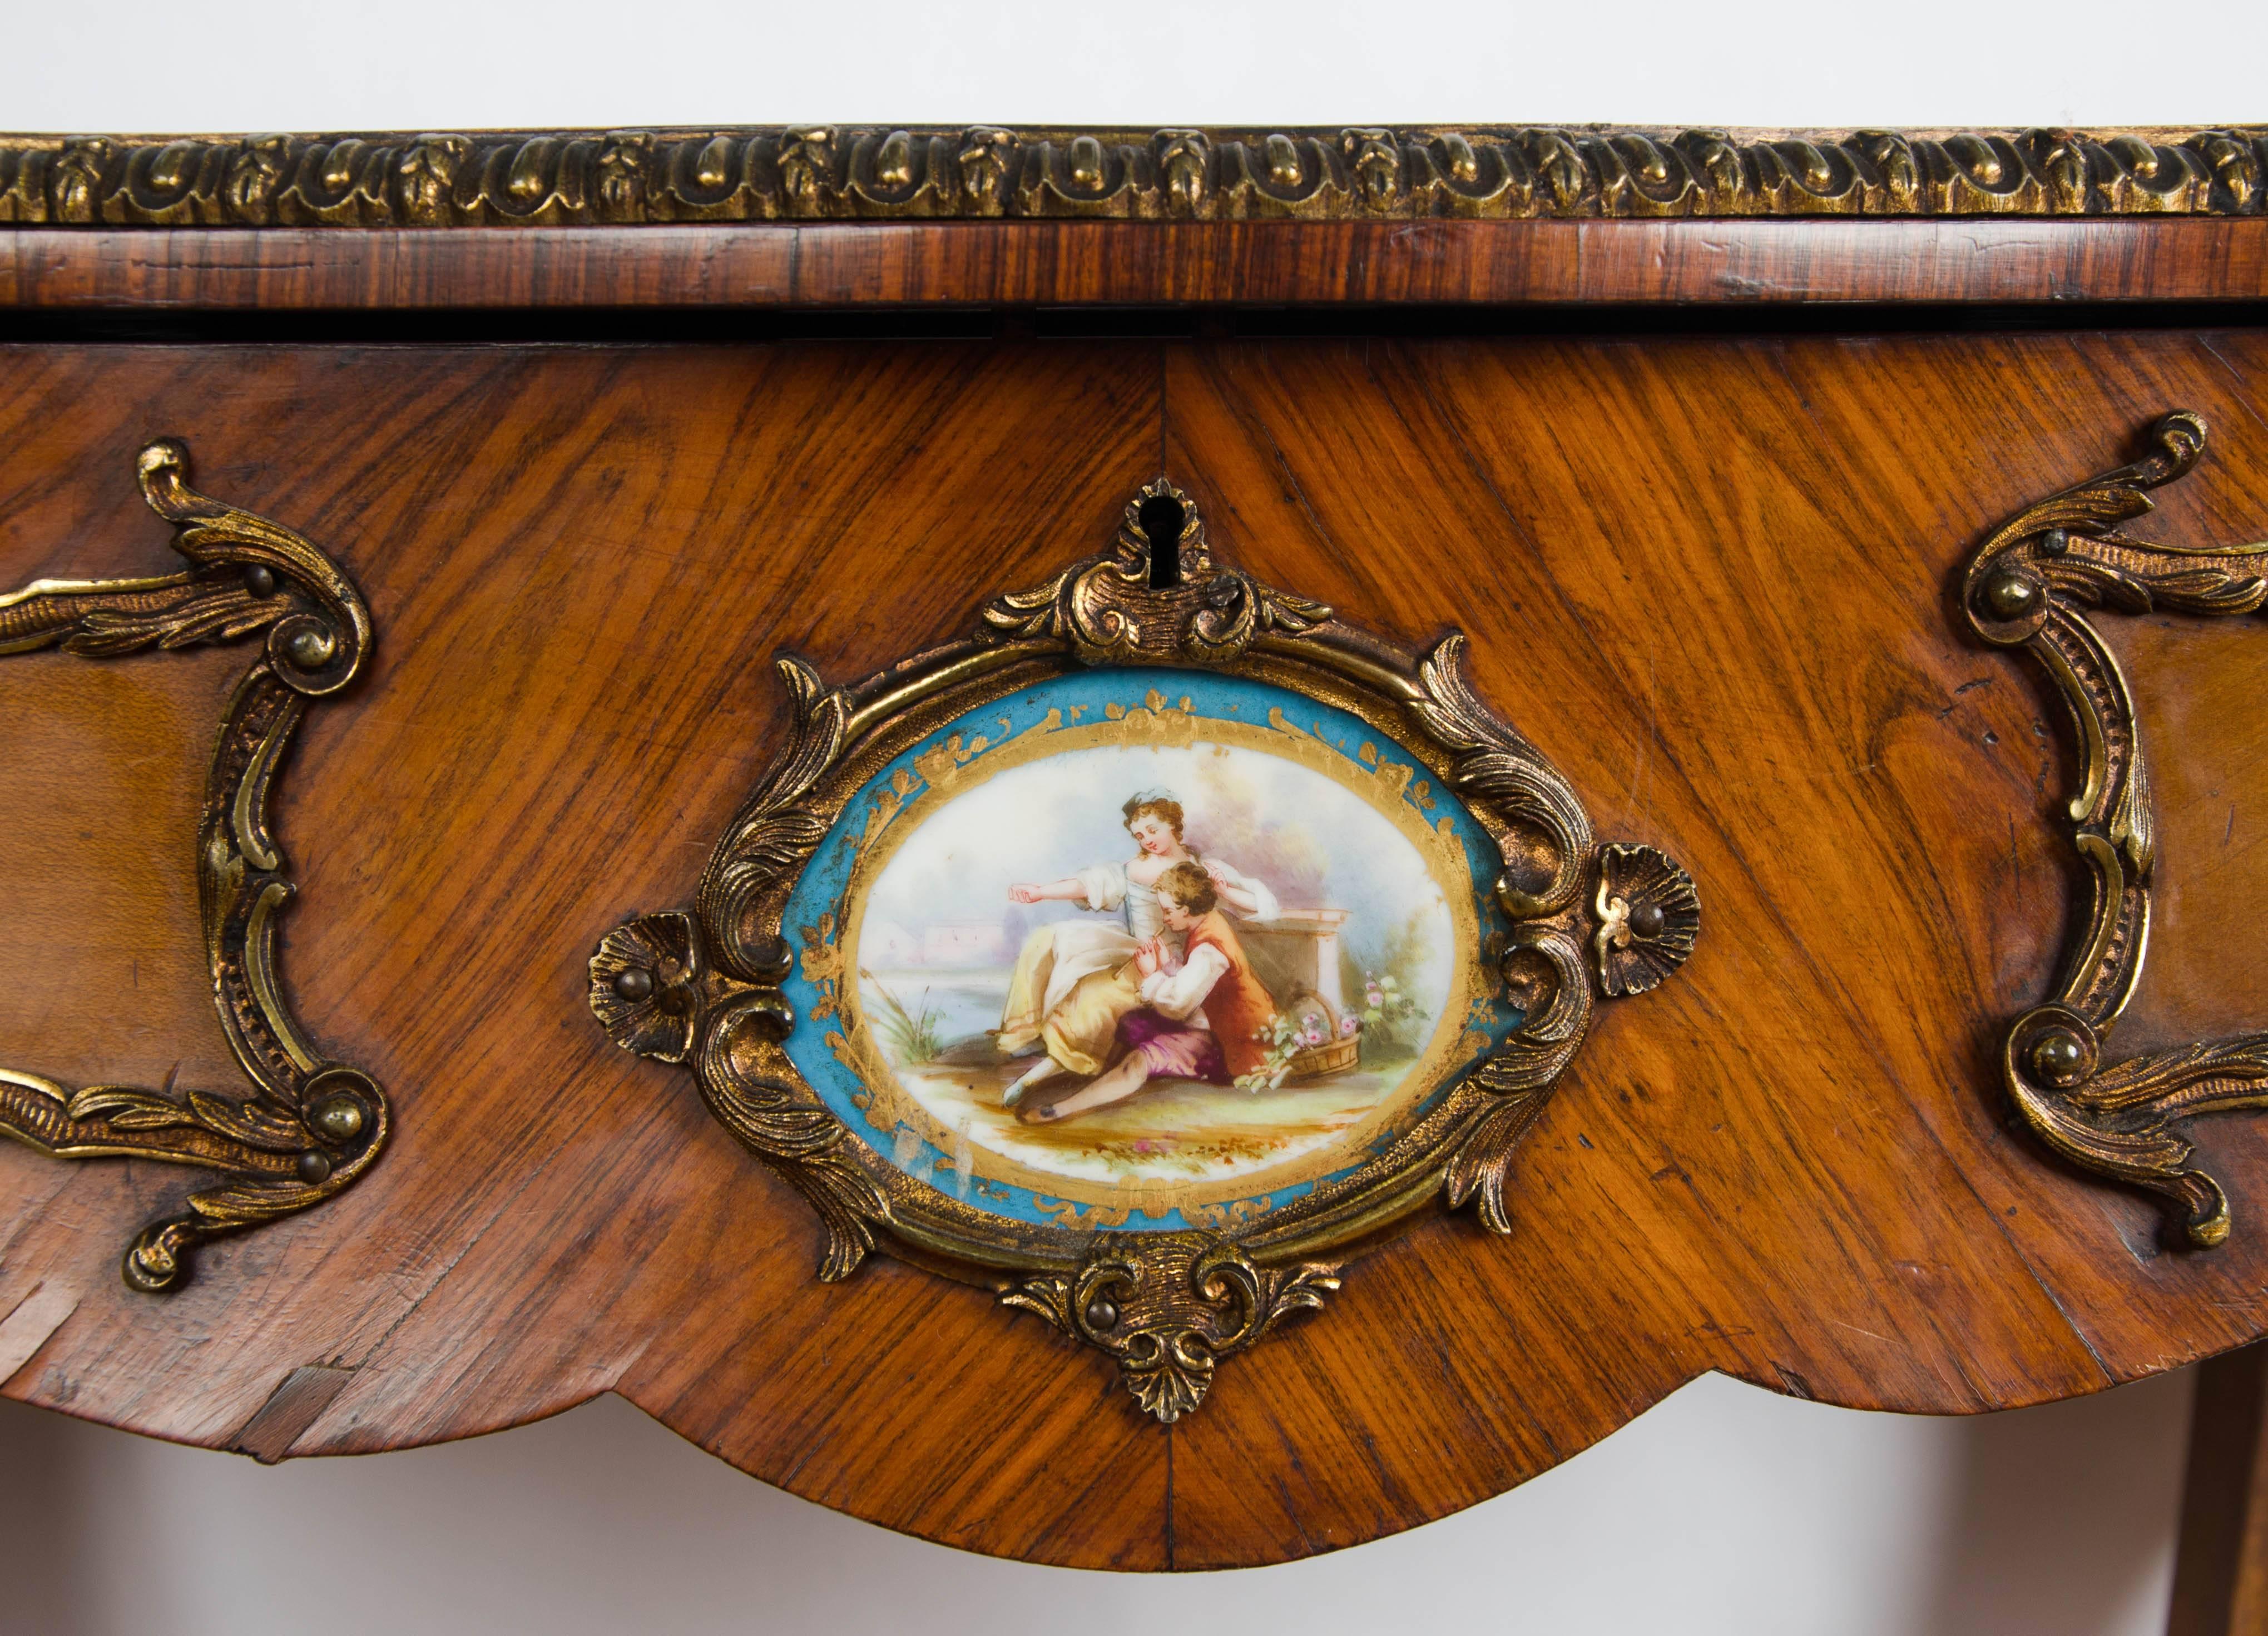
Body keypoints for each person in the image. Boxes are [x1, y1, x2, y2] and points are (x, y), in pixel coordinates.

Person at [994, 791, 1276, 1107]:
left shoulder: (1202, 870)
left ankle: (1041, 1078)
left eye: (1153, 830)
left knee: (1103, 999)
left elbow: (1265, 907)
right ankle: (1036, 1073)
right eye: (1140, 835)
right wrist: (1041, 893)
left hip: (1181, 968)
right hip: (1141, 955)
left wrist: (1224, 890)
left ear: (1173, 824)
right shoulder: (1131, 870)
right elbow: (1090, 884)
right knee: (1065, 959)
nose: (1147, 840)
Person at [1019, 861, 1274, 1123]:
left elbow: (1179, 1005)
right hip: (1217, 1025)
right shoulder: (1208, 923)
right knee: (1131, 1023)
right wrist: (1166, 965)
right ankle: (1087, 1083)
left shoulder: (1209, 948)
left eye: (1168, 911)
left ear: (1186, 910)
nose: (1164, 918)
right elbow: (1198, 986)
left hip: (1232, 1044)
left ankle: (1062, 1109)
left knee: (1141, 1058)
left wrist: (1152, 974)